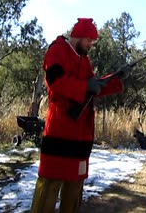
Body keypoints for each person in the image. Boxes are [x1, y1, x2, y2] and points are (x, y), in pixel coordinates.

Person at [30, 18, 131, 213]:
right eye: (89, 40)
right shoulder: (57, 50)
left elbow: (93, 89)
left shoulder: (85, 61)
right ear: (78, 36)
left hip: (81, 136)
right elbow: (55, 81)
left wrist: (116, 77)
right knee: (49, 184)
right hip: (59, 132)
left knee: (75, 187)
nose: (91, 45)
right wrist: (86, 85)